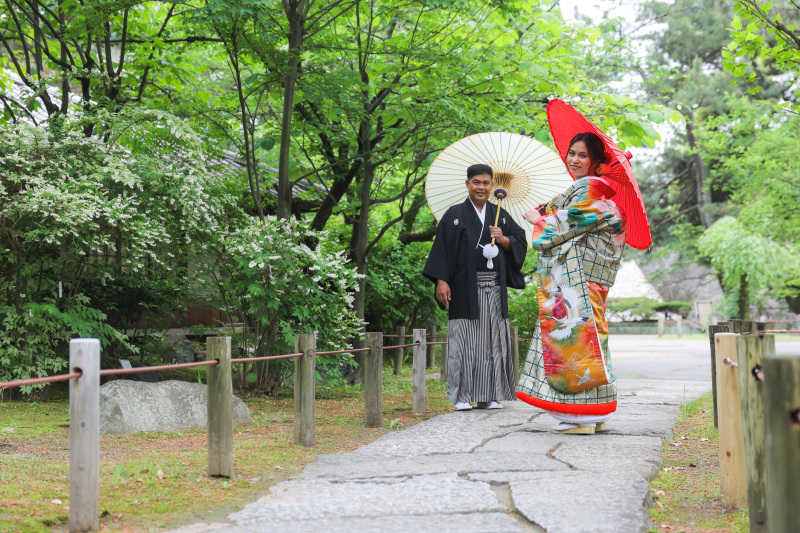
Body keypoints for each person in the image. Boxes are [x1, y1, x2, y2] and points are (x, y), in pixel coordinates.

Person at [516, 132, 627, 433]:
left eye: (583, 155)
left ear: (595, 162)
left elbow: (563, 226)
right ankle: (597, 413)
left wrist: (535, 220)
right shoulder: (603, 198)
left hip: (579, 280)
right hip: (594, 282)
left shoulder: (589, 189)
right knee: (596, 345)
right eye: (572, 153)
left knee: (575, 344)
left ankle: (579, 418)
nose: (574, 160)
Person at [423, 164, 527, 411]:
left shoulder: (499, 213)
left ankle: (489, 395)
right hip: (464, 287)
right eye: (476, 182)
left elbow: (519, 240)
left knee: (493, 342)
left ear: (493, 186)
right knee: (465, 341)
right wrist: (441, 280)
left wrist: (503, 239)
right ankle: (462, 396)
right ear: (467, 184)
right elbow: (442, 249)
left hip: (494, 289)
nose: (481, 187)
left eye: (486, 183)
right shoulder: (455, 214)